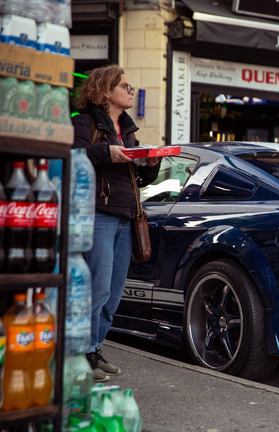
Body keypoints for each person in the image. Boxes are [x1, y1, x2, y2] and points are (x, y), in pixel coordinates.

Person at [72, 65, 161, 382]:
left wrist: (151, 165)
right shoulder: (85, 122)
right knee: (96, 288)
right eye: (124, 85)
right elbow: (75, 155)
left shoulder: (128, 129)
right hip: (98, 213)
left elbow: (138, 179)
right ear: (104, 90)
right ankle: (80, 353)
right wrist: (106, 153)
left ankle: (94, 349)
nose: (130, 90)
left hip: (126, 215)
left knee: (113, 292)